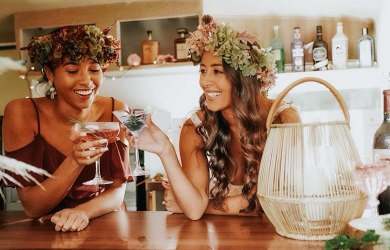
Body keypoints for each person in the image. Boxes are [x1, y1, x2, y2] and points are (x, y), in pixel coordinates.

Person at [125, 15, 300, 220]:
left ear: (243, 78)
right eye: (203, 70)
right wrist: (165, 150)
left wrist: (202, 205)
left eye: (217, 71)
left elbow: (274, 200)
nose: (205, 81)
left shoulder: (283, 119)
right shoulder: (195, 127)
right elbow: (194, 211)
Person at [2, 24, 131, 232]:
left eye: (94, 69)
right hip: (50, 231)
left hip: (106, 227)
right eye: (72, 70)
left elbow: (118, 191)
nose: (86, 81)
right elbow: (32, 208)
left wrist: (83, 212)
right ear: (50, 73)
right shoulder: (22, 113)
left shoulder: (117, 109)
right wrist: (75, 161)